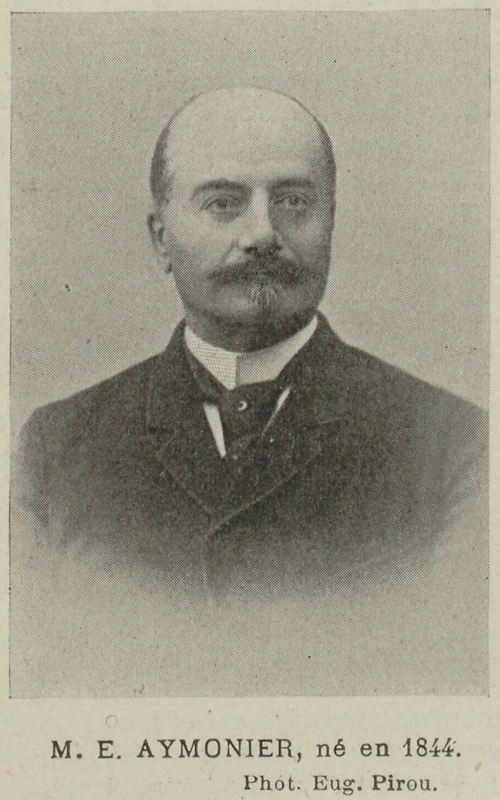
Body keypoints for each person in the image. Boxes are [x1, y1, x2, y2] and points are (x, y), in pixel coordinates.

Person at [16, 87, 487, 597]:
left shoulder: (454, 446)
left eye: (293, 201)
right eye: (223, 203)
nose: (263, 233)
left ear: (331, 221)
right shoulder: (56, 451)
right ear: (161, 238)